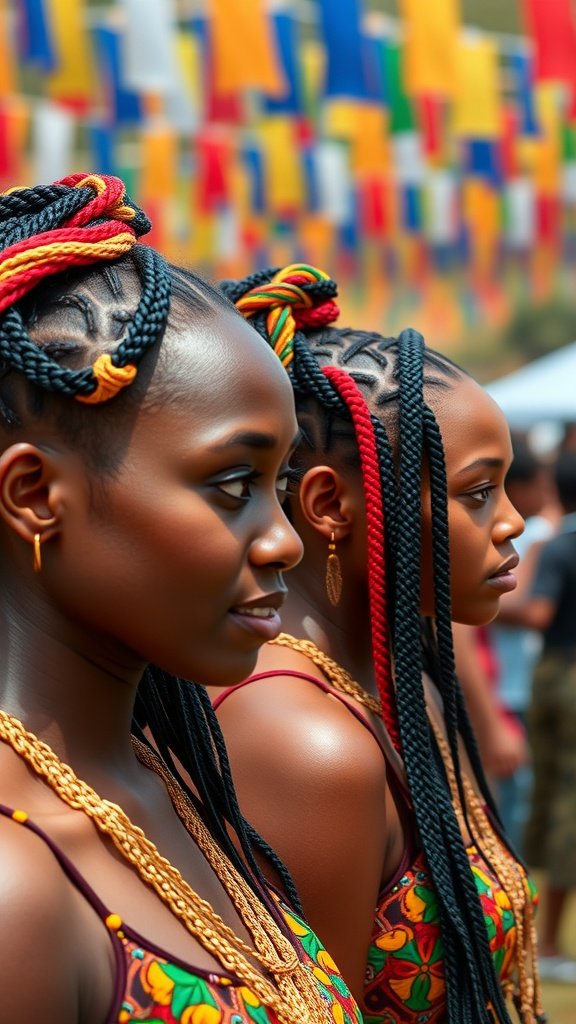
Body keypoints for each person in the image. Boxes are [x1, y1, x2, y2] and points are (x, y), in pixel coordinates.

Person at [0, 178, 363, 1024]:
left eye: (277, 484)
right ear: (34, 495)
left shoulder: (177, 783)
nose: (286, 542)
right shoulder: (17, 888)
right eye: (233, 484)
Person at [210, 264, 545, 1024]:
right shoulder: (299, 739)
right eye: (477, 492)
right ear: (330, 504)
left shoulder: (400, 688)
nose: (513, 521)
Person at [503, 450, 576, 983]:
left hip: (557, 674)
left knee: (552, 797)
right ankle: (544, 936)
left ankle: (541, 936)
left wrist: (469, 599)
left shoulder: (559, 546)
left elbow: (537, 612)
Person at [489, 439, 555, 850]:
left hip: (517, 685)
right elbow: (528, 609)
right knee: (514, 795)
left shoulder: (541, 533)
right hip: (505, 688)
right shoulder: (536, 536)